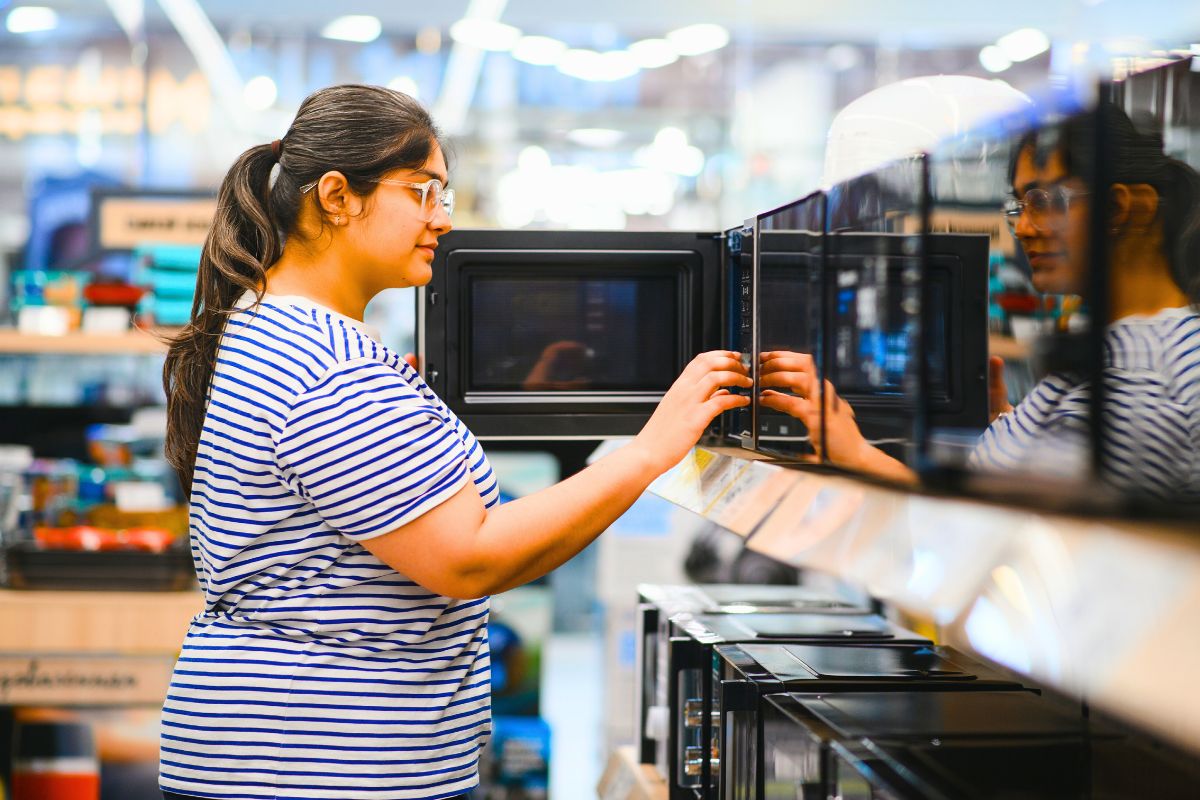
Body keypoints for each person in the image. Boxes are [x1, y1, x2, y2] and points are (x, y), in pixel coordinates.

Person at [157, 84, 750, 800]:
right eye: (423, 192)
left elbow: (392, 505)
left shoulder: (273, 328)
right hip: (322, 763)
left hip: (289, 751)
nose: (442, 218)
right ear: (338, 196)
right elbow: (468, 558)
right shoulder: (330, 369)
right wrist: (653, 448)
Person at [761, 105, 1200, 502]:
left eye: (1045, 202)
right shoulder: (1132, 348)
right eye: (1020, 204)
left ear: (1120, 208)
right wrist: (1013, 430)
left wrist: (856, 453)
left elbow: (1035, 543)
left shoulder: (1140, 372)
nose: (1023, 227)